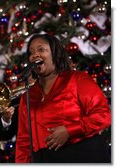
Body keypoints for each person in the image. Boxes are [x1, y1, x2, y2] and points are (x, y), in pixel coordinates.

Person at [14, 33, 111, 163]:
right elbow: (24, 141)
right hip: (45, 160)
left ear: (54, 54)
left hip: (83, 154)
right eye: (31, 52)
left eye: (41, 49)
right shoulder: (28, 96)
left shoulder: (77, 79)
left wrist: (70, 131)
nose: (35, 55)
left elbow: (103, 116)